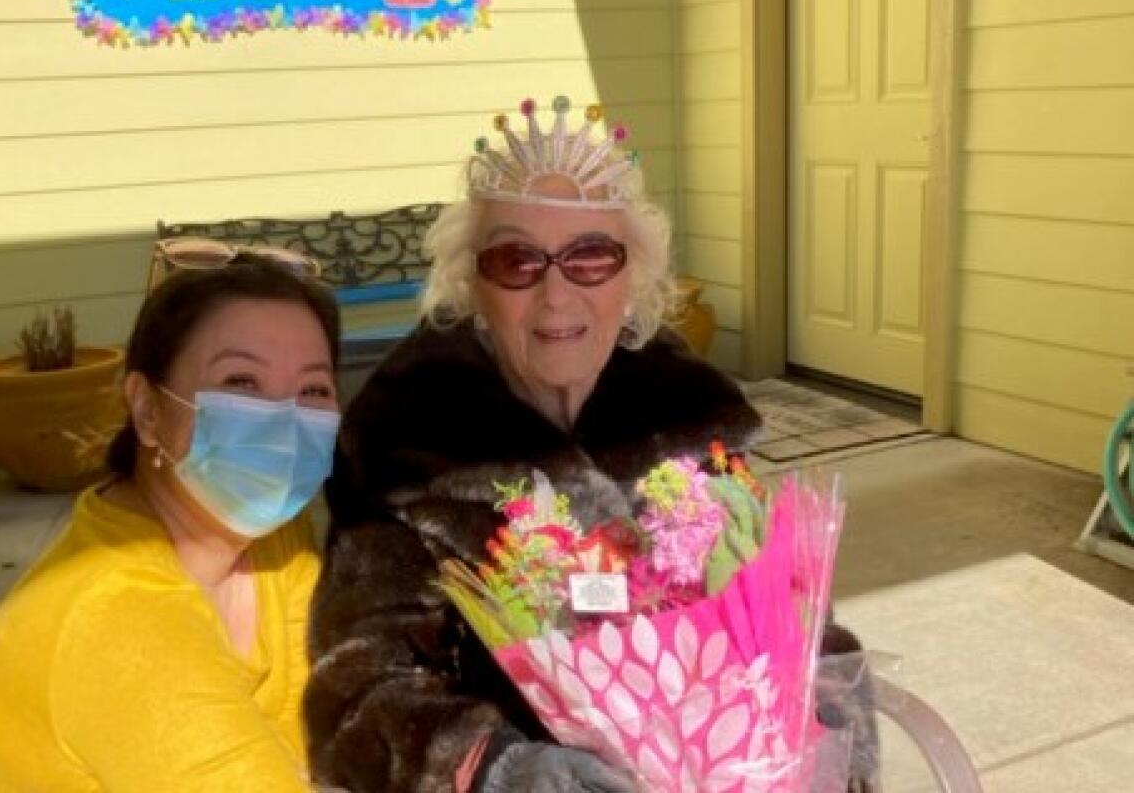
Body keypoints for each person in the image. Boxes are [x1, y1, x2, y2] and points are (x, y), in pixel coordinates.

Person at [304, 97, 875, 792]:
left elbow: (790, 615)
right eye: (516, 260)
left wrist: (827, 724)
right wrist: (491, 766)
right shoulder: (401, 437)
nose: (556, 294)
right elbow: (355, 685)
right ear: (472, 284)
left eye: (591, 255)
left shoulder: (692, 416)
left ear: (631, 277)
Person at [0, 256, 342, 791]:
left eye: (313, 389)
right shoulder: (114, 621)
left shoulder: (269, 536)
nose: (283, 422)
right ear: (148, 410)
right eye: (241, 381)